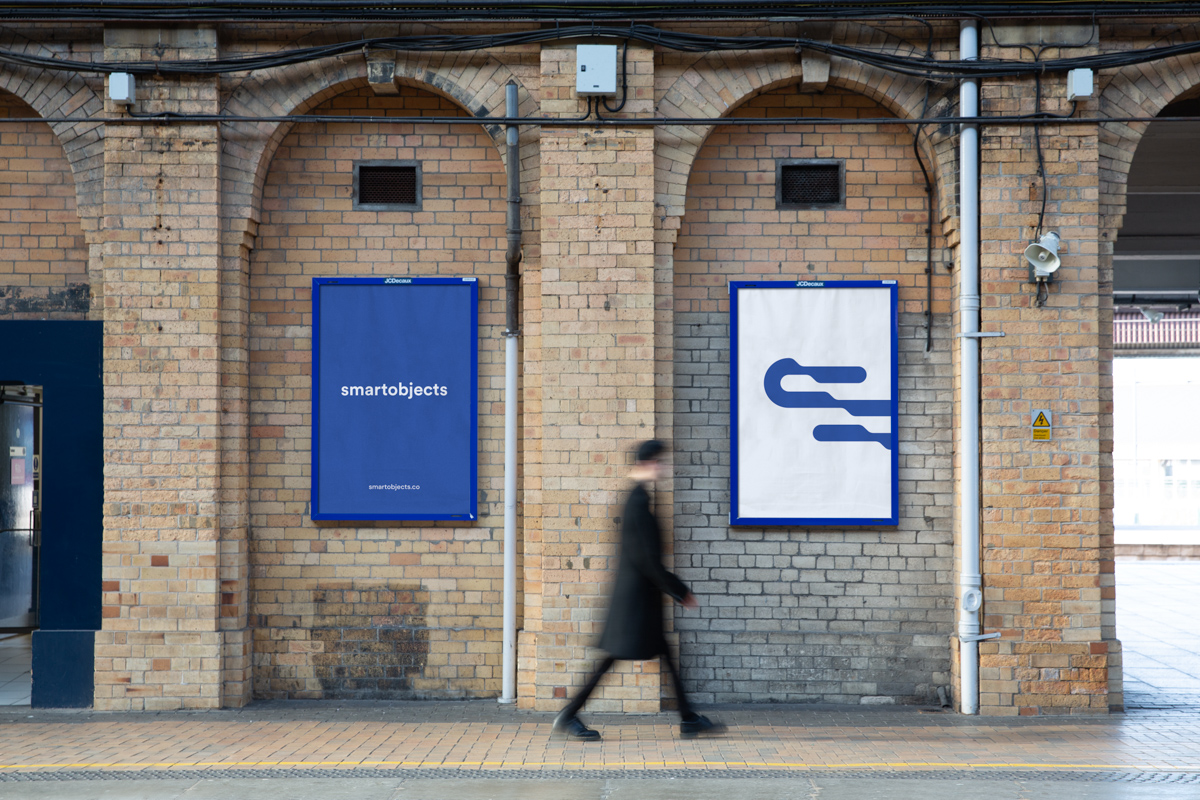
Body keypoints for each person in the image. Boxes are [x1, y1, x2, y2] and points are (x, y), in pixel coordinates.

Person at [552, 439, 723, 741]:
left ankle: (688, 718)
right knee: (609, 661)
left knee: (661, 654)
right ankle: (569, 714)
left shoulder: (638, 499)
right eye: (660, 462)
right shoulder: (637, 502)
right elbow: (647, 560)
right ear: (648, 465)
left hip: (640, 600)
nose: (664, 468)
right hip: (636, 603)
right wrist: (680, 591)